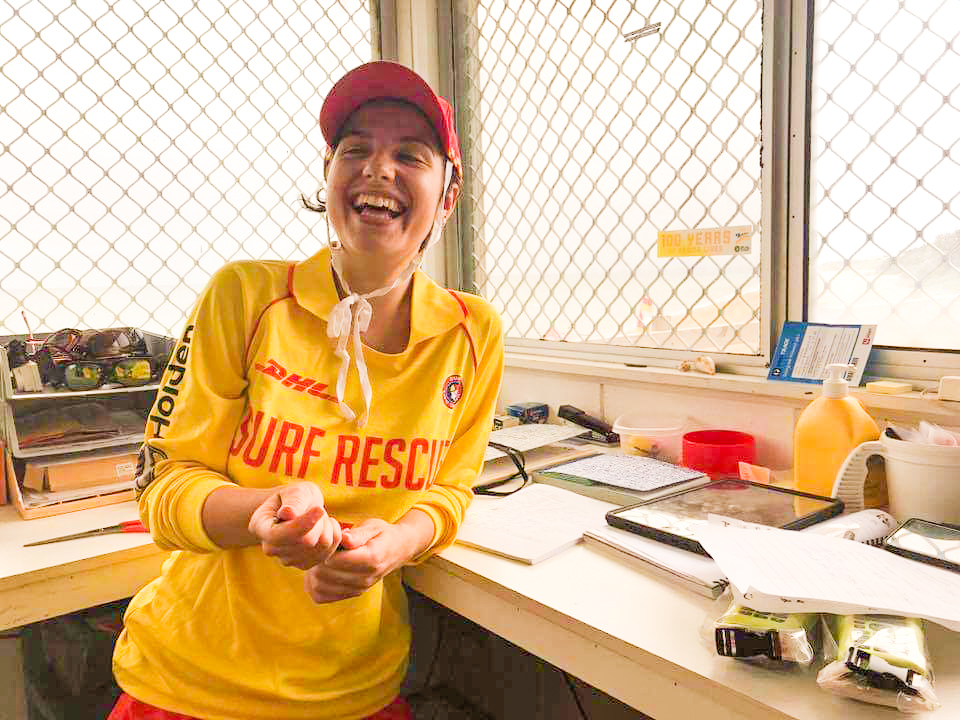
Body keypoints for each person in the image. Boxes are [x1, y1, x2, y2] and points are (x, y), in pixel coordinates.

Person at [109, 61, 505, 720]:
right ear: (328, 179)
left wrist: (396, 546)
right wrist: (264, 512)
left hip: (357, 692)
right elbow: (162, 484)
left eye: (409, 154)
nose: (378, 169)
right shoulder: (245, 296)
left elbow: (451, 489)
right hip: (191, 688)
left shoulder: (472, 333)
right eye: (356, 151)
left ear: (449, 195)